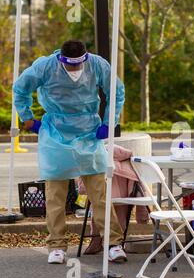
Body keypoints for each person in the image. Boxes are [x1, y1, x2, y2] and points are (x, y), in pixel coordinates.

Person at [13, 40, 127, 264]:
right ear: (61, 60)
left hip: (89, 133)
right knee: (55, 196)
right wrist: (27, 118)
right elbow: (20, 88)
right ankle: (56, 246)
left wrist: (109, 121)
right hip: (56, 133)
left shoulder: (97, 65)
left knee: (99, 194)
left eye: (78, 65)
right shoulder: (46, 66)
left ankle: (112, 243)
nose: (74, 71)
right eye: (69, 66)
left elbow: (117, 91)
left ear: (85, 58)